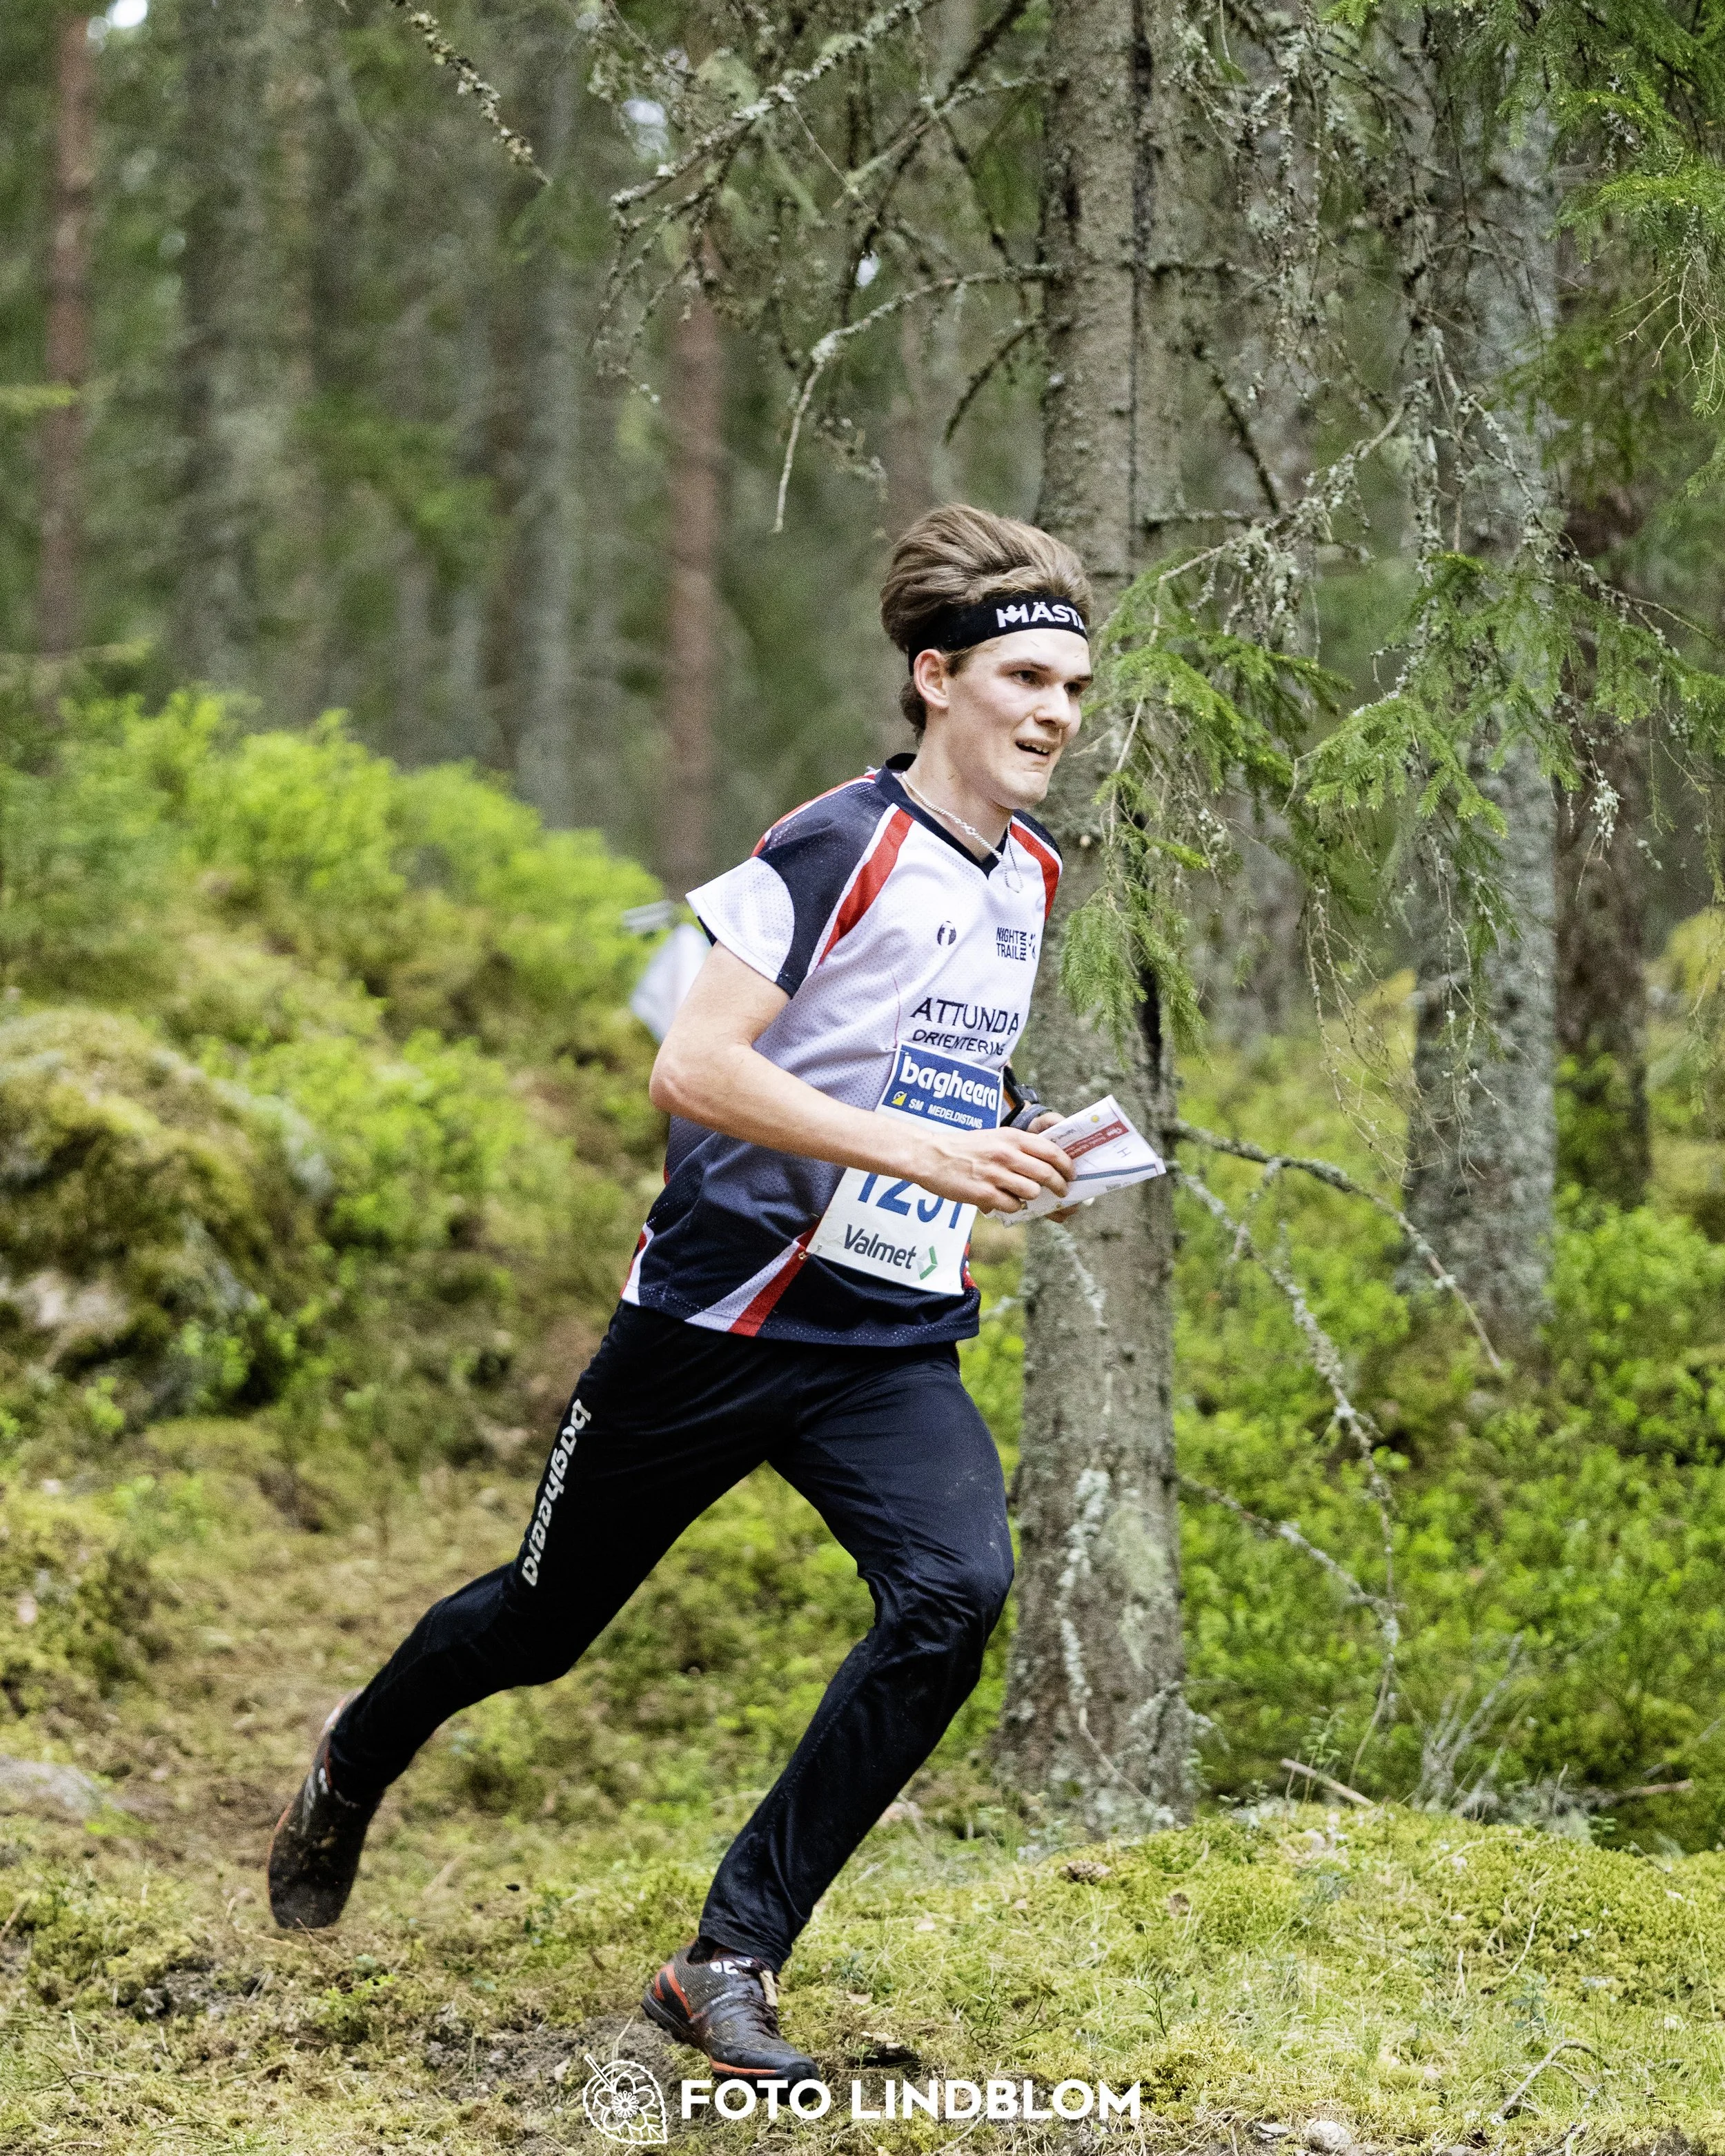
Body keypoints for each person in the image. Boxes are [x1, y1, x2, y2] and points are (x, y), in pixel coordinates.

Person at [266, 502, 1094, 2086]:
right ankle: (350, 1760)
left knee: (952, 1596)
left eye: (1073, 687)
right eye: (1026, 678)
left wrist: (1009, 1144)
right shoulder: (831, 844)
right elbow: (694, 1063)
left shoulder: (1029, 878)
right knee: (538, 1621)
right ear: (937, 678)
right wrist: (920, 1147)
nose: (1055, 712)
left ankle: (726, 1955)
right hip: (714, 1321)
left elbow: (923, 1068)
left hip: (882, 1336)